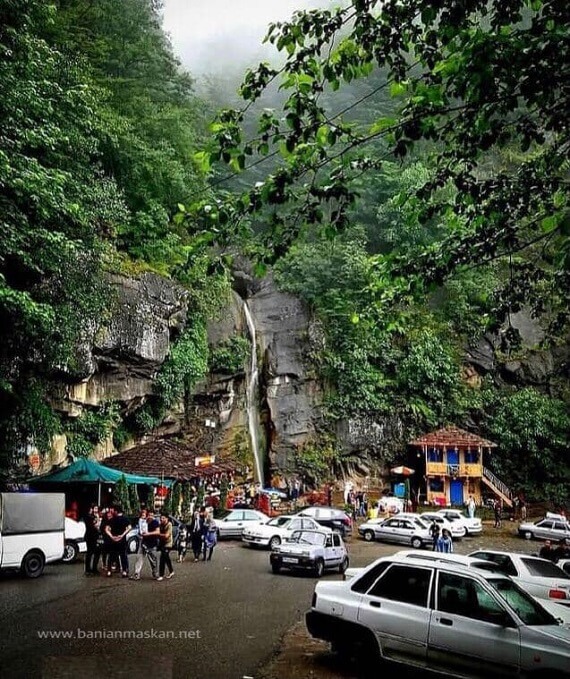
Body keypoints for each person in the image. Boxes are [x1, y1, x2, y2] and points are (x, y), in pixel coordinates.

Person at [131, 508, 160, 580]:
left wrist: (148, 534)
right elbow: (140, 531)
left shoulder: (155, 522)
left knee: (153, 560)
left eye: (152, 515)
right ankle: (136, 574)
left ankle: (155, 573)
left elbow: (157, 532)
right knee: (139, 558)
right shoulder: (143, 522)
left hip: (152, 544)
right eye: (149, 515)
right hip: (143, 543)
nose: (150, 516)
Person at [105, 505, 131, 577]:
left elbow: (106, 529)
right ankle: (124, 571)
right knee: (123, 555)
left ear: (116, 511)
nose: (112, 512)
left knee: (111, 555)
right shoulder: (125, 519)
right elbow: (129, 528)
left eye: (113, 510)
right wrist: (122, 535)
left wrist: (111, 536)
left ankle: (109, 571)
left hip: (113, 540)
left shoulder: (112, 519)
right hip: (122, 540)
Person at [84, 505, 102, 576]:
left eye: (97, 508)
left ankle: (94, 568)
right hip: (90, 537)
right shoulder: (89, 517)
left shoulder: (97, 516)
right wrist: (97, 521)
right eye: (94, 508)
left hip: (96, 537)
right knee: (90, 553)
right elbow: (93, 526)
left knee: (97, 553)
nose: (95, 510)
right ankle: (88, 569)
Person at [156, 513, 174, 580]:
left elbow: (167, 536)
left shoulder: (169, 524)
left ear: (167, 518)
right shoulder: (160, 525)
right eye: (161, 518)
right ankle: (171, 571)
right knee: (166, 558)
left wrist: (158, 534)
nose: (161, 519)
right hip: (162, 543)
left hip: (168, 543)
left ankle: (161, 575)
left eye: (163, 518)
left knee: (162, 558)